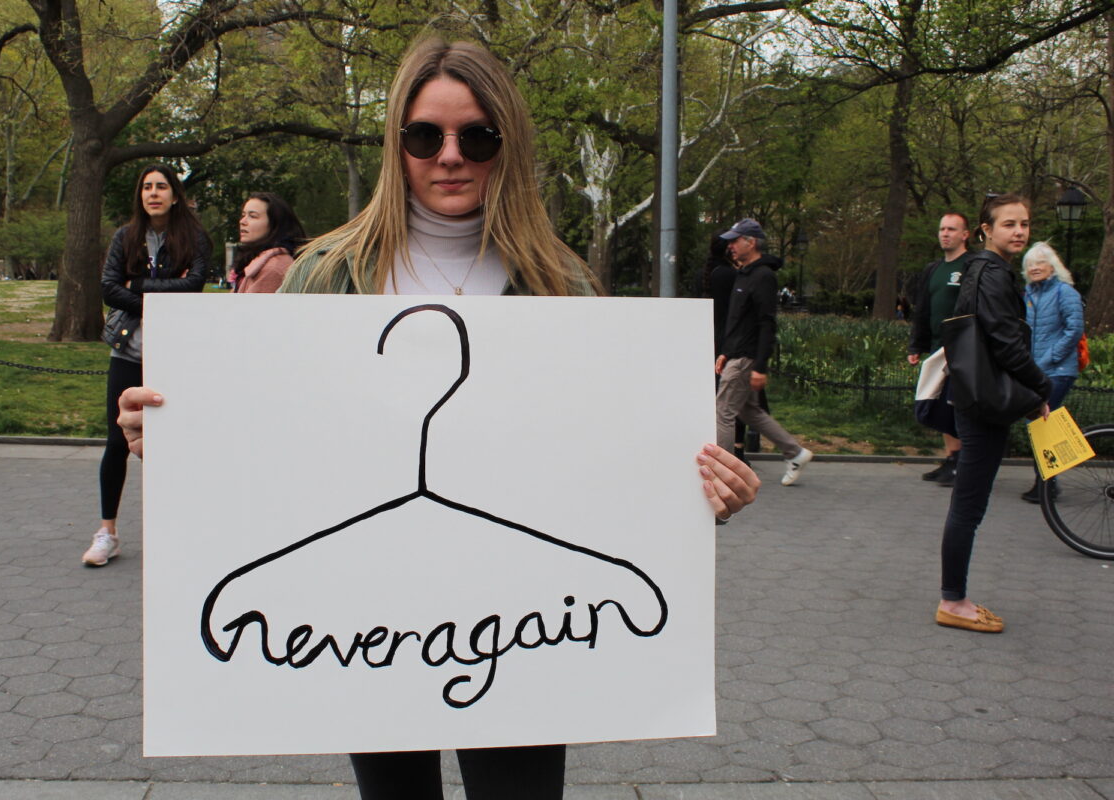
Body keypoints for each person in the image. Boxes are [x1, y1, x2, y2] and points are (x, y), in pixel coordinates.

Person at [116, 35, 760, 800]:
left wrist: (707, 494)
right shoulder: (328, 274)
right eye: (425, 135)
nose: (450, 155)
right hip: (363, 607)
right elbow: (274, 435)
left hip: (524, 611)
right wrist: (174, 435)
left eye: (477, 136)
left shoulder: (561, 285)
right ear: (397, 144)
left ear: (506, 146)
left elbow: (617, 469)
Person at [83, 163, 211, 568]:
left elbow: (195, 286)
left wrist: (137, 286)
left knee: (175, 443)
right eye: (146, 187)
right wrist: (153, 298)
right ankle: (107, 532)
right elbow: (107, 287)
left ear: (175, 194)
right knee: (117, 442)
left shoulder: (194, 237)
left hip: (175, 353)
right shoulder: (126, 237)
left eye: (161, 186)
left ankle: (181, 532)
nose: (153, 193)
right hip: (128, 350)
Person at [935, 194, 1051, 634]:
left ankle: (955, 596)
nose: (1019, 231)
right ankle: (954, 601)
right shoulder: (992, 273)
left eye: (1024, 223)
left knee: (969, 501)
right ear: (986, 229)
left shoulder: (984, 270)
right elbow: (1004, 340)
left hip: (976, 394)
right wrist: (1040, 385)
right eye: (1008, 224)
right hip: (983, 400)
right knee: (968, 504)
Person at [715, 218, 812, 486]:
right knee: (749, 412)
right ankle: (795, 452)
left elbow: (766, 323)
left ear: (751, 242)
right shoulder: (745, 274)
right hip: (737, 354)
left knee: (723, 411)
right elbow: (738, 320)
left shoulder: (763, 276)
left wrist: (760, 366)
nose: (730, 245)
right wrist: (725, 351)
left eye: (735, 240)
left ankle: (723, 471)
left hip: (745, 358)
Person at [1019, 240, 1084, 503]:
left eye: (1040, 263)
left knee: (1040, 421)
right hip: (1036, 369)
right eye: (1030, 264)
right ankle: (1046, 481)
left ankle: (1048, 483)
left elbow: (1074, 330)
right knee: (1041, 422)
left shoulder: (1065, 293)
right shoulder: (1028, 294)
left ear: (1052, 266)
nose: (1035, 268)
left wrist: (1049, 357)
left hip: (1058, 370)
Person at [908, 212, 970, 486]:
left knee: (953, 405)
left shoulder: (971, 265)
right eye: (942, 229)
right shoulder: (933, 269)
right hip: (935, 349)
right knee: (935, 404)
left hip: (961, 350)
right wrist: (917, 344)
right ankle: (951, 458)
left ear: (965, 234)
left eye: (952, 229)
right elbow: (923, 309)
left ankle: (962, 461)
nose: (945, 233)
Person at [229, 192, 305, 293]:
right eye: (243, 215)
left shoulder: (273, 268)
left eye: (253, 216)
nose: (242, 221)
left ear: (274, 224)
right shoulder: (258, 260)